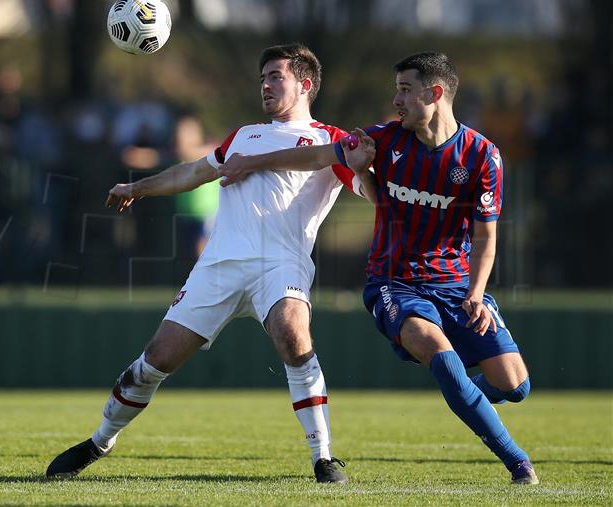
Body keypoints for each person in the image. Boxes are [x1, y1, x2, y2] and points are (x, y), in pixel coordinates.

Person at [45, 44, 365, 484]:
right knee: (156, 360)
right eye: (262, 79)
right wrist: (140, 187)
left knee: (293, 335)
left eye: (276, 76)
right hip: (219, 265)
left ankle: (324, 458)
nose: (266, 85)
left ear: (305, 84)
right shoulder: (245, 135)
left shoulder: (333, 140)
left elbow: (366, 189)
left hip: (282, 264)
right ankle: (99, 441)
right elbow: (194, 172)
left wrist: (374, 176)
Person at [217, 52, 539, 485]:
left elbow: (486, 235)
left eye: (405, 90)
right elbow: (313, 157)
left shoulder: (482, 155)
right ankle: (520, 464)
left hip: (458, 285)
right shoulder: (380, 141)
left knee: (515, 386)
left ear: (435, 93)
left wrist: (477, 293)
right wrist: (250, 162)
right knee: (445, 363)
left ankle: (460, 393)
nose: (396, 99)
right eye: (397, 90)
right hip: (394, 285)